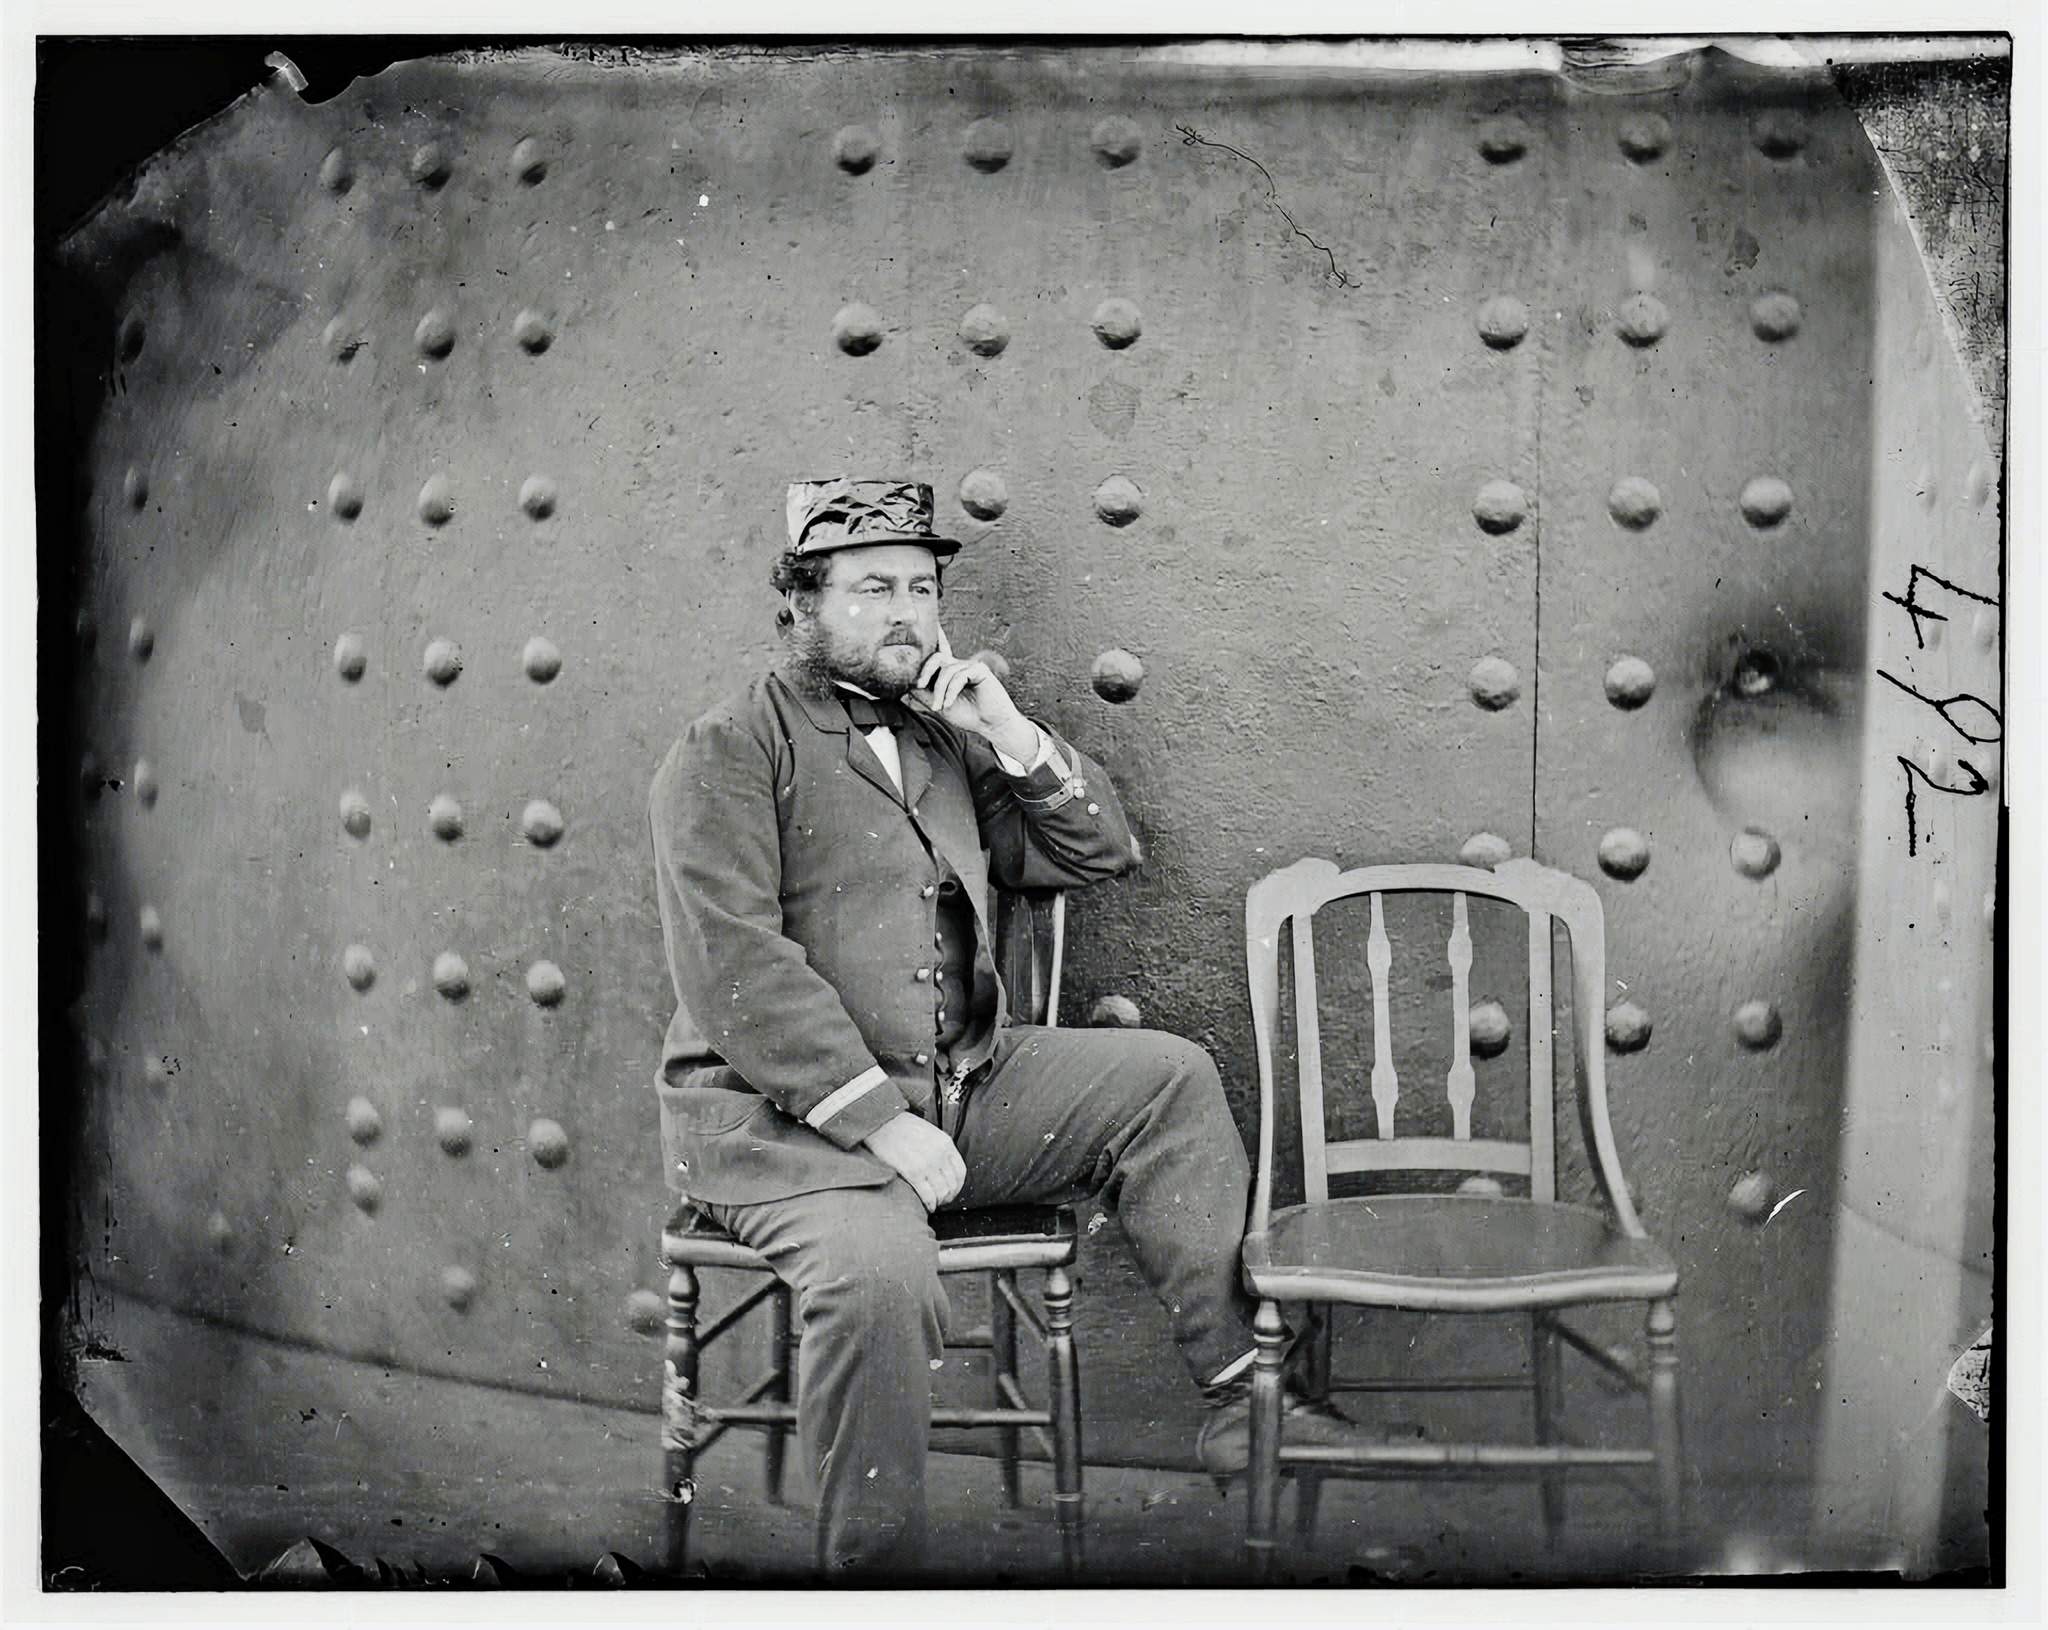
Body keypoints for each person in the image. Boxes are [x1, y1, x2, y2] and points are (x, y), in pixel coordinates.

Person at [647, 477, 1353, 1577]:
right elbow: (734, 965)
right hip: (780, 1131)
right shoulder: (730, 746)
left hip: (954, 1091)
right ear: (801, 603)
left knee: (1168, 1079)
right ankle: (871, 1579)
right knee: (877, 1276)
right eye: (872, 588)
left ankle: (1235, 1399)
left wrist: (1006, 729)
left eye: (921, 589)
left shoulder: (944, 740)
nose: (905, 613)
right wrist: (881, 1124)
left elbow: (1095, 853)